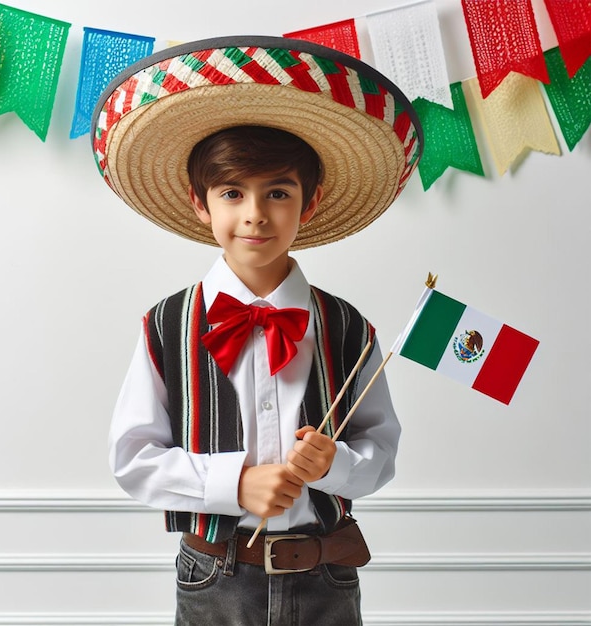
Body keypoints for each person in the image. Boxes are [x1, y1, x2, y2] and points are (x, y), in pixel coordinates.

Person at [92, 36, 423, 626]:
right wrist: (233, 485)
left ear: (310, 202)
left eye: (277, 192)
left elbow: (382, 451)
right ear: (201, 204)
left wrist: (334, 466)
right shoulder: (166, 325)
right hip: (213, 575)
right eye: (231, 193)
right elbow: (133, 457)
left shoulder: (348, 328)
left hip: (324, 571)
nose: (255, 214)